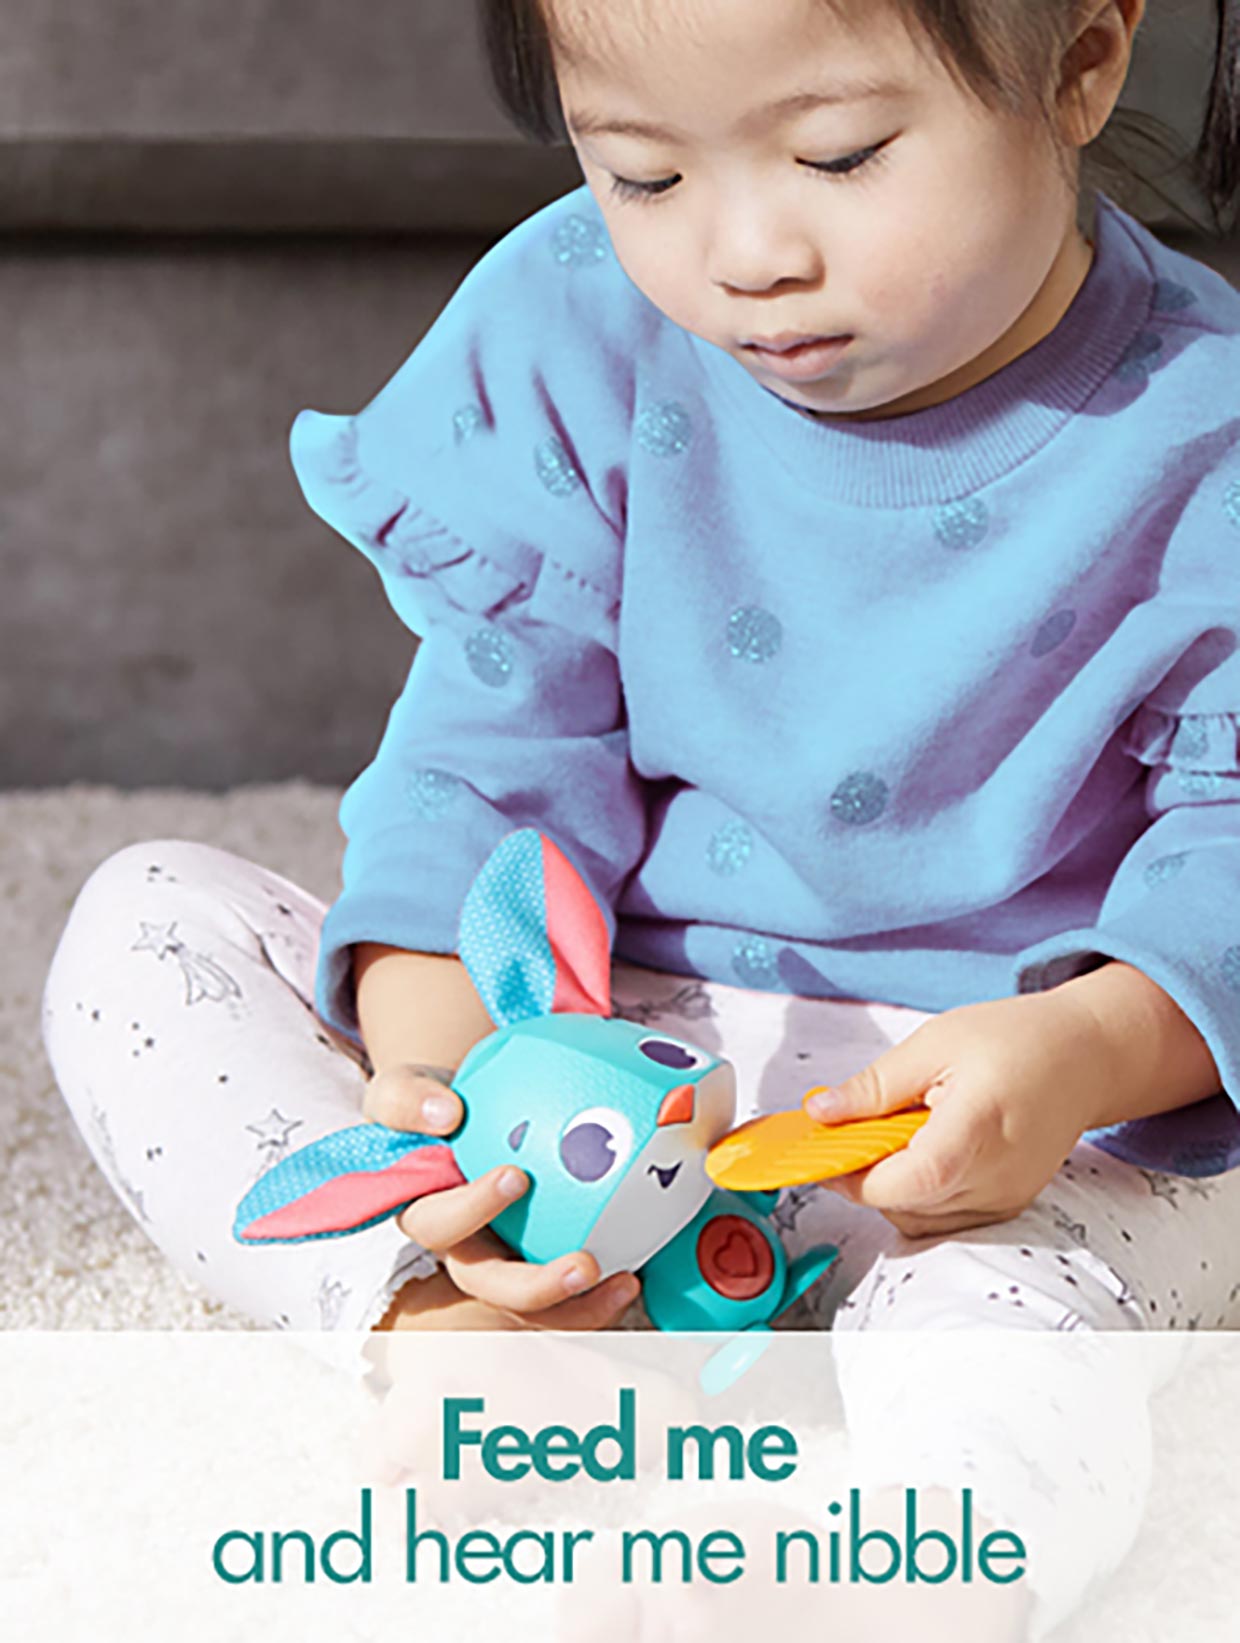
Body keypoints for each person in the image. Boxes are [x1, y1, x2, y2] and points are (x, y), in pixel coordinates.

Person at [40, 0, 1240, 1633]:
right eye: (644, 175)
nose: (747, 258)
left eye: (841, 156)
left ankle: (881, 1576)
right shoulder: (575, 329)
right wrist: (453, 1094)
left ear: (1083, 62)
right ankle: (470, 1330)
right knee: (147, 923)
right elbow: (489, 760)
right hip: (622, 1071)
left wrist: (1092, 1051)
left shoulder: (1203, 429)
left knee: (1018, 1344)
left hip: (1016, 1127)